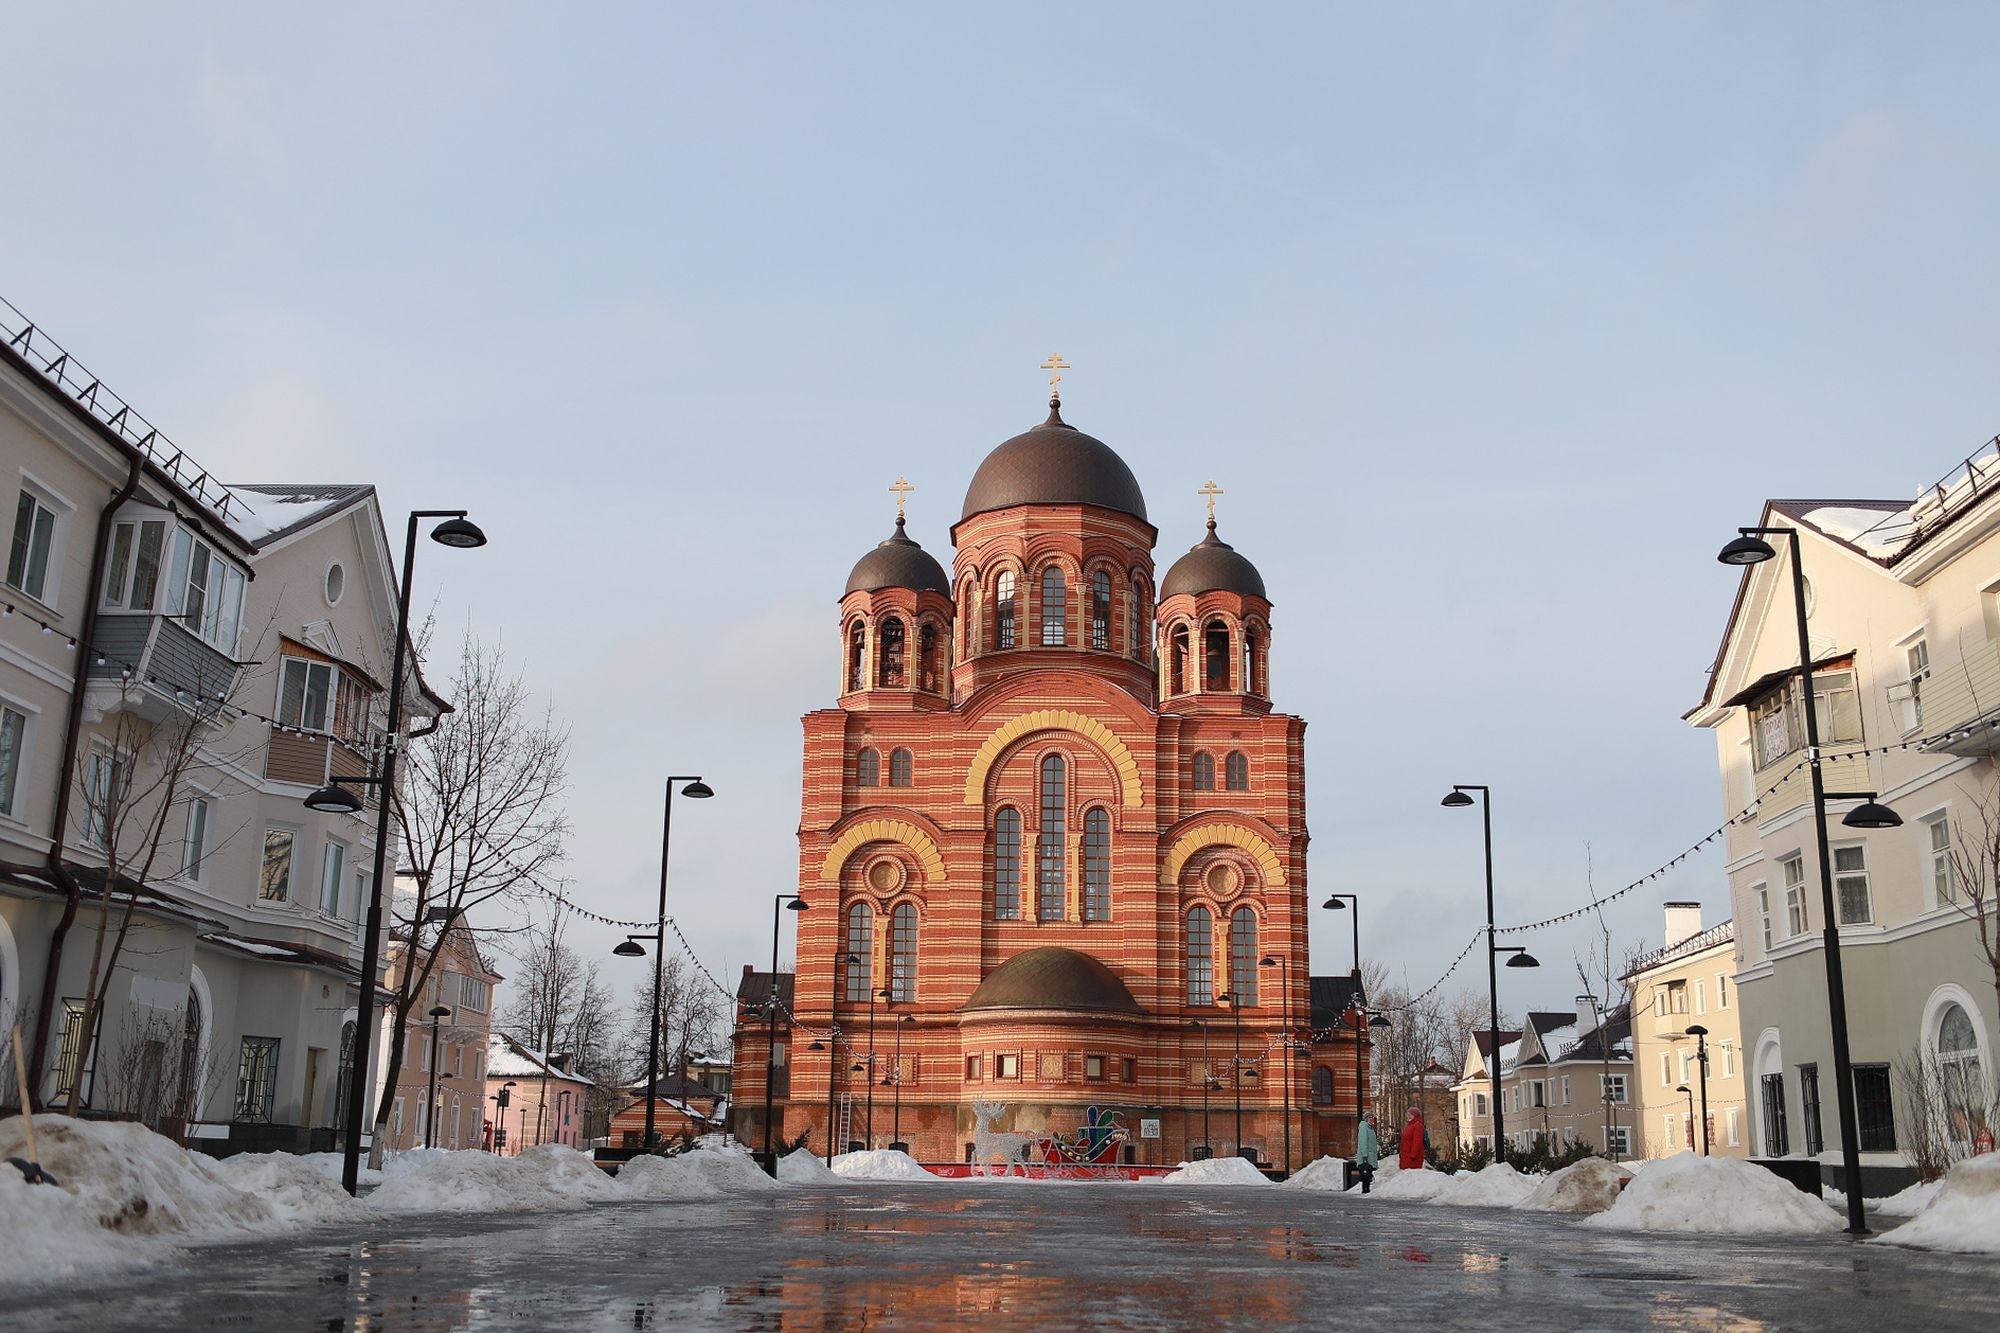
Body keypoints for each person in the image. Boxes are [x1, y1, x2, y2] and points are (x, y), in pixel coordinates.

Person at [1352, 1111, 1380, 1193]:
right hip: (1367, 1156)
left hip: (1370, 1155)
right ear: (1366, 1119)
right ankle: (1365, 1190)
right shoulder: (1364, 1128)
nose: (1371, 1119)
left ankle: (1366, 1189)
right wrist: (1364, 1155)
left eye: (1372, 1117)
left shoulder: (1369, 1128)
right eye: (1369, 1117)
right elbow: (1363, 1142)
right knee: (1366, 1174)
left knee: (1368, 1173)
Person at [1399, 1105, 1427, 1171]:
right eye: (1407, 1114)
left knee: (1412, 1176)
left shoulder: (1418, 1125)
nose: (1408, 1116)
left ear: (1415, 1115)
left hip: (1412, 1158)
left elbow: (1417, 1142)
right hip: (1406, 1156)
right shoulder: (1409, 1125)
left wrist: (1413, 1155)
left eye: (1410, 1114)